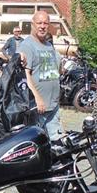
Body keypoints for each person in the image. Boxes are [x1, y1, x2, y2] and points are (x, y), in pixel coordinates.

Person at [21, 10, 63, 138]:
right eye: (39, 23)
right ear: (32, 24)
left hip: (53, 106)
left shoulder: (49, 45)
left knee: (57, 143)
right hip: (38, 107)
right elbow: (25, 75)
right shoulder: (27, 45)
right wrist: (37, 98)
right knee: (37, 142)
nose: (42, 26)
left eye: (45, 23)